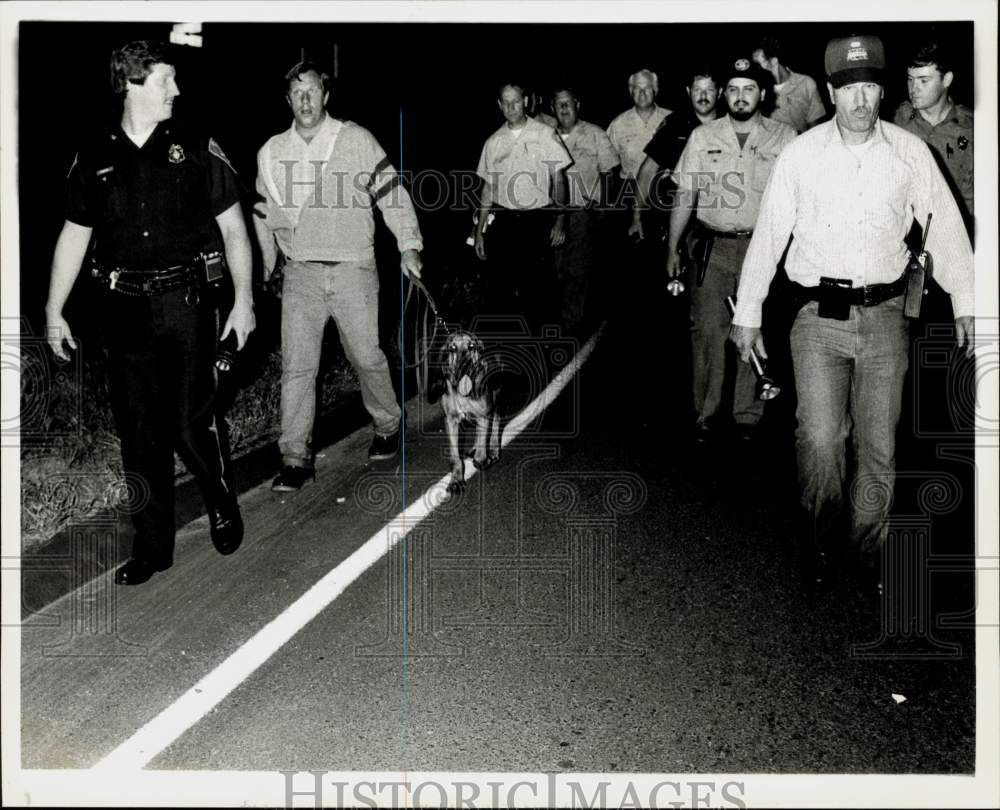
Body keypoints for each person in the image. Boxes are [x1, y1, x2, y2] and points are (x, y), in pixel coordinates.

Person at [730, 35, 975, 595]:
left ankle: (869, 554)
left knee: (879, 444)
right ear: (832, 92)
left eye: (869, 88)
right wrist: (746, 313)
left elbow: (945, 226)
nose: (860, 101)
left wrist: (966, 298)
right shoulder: (802, 153)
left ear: (881, 90)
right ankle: (820, 541)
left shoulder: (909, 151)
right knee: (819, 438)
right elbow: (769, 234)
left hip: (888, 313)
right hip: (817, 316)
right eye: (849, 89)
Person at [45, 40, 255, 586]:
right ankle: (152, 546)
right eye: (166, 81)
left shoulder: (194, 143)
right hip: (122, 307)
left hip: (184, 302)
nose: (177, 91)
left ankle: (219, 495)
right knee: (139, 431)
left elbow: (234, 227)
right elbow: (75, 232)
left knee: (188, 420)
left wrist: (244, 299)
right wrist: (53, 307)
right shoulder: (94, 151)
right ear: (132, 83)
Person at [253, 61, 423, 492]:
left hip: (354, 268)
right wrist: (266, 265)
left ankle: (387, 423)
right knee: (297, 367)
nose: (305, 100)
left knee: (366, 355)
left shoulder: (356, 139)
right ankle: (295, 457)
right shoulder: (271, 151)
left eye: (312, 91)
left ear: (326, 95)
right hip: (302, 274)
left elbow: (392, 193)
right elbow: (264, 214)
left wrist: (409, 246)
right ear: (287, 99)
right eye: (297, 93)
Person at [665, 57, 796, 443]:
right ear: (725, 95)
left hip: (764, 249)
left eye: (749, 89)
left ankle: (747, 416)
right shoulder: (703, 138)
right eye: (734, 90)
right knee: (707, 331)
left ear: (763, 94)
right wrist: (672, 246)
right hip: (713, 246)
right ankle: (705, 414)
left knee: (753, 328)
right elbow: (685, 193)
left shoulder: (785, 137)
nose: (741, 97)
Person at [474, 82, 573, 334]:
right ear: (499, 105)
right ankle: (510, 346)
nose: (511, 107)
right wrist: (479, 232)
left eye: (516, 101)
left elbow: (559, 179)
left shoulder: (544, 133)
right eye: (505, 102)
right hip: (505, 221)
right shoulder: (493, 141)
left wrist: (560, 219)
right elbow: (488, 189)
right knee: (502, 287)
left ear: (526, 101)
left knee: (539, 287)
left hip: (537, 220)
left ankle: (546, 342)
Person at [550, 85, 620, 334]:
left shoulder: (594, 133)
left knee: (577, 272)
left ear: (577, 105)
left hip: (582, 212)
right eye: (559, 104)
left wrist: (601, 203)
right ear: (553, 108)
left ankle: (572, 330)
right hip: (553, 213)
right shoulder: (547, 136)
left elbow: (609, 171)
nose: (564, 108)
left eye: (568, 103)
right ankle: (556, 325)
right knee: (555, 272)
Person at [628, 65, 721, 241]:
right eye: (697, 90)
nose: (703, 96)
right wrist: (636, 215)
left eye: (709, 90)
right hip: (678, 215)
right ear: (688, 91)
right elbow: (648, 170)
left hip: (718, 217)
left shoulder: (731, 124)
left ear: (720, 92)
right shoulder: (674, 125)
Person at [893, 40, 974, 231]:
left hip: (958, 234)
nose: (913, 89)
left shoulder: (971, 129)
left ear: (946, 80)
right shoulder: (900, 122)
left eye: (923, 81)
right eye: (910, 79)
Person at [606, 69, 671, 187]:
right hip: (629, 188)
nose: (642, 92)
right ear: (631, 91)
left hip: (664, 187)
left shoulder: (671, 119)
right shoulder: (618, 124)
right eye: (637, 88)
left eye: (647, 87)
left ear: (655, 90)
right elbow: (606, 162)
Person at [752, 37, 828, 133]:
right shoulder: (756, 90)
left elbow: (814, 128)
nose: (755, 69)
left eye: (758, 64)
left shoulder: (806, 83)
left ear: (774, 61)